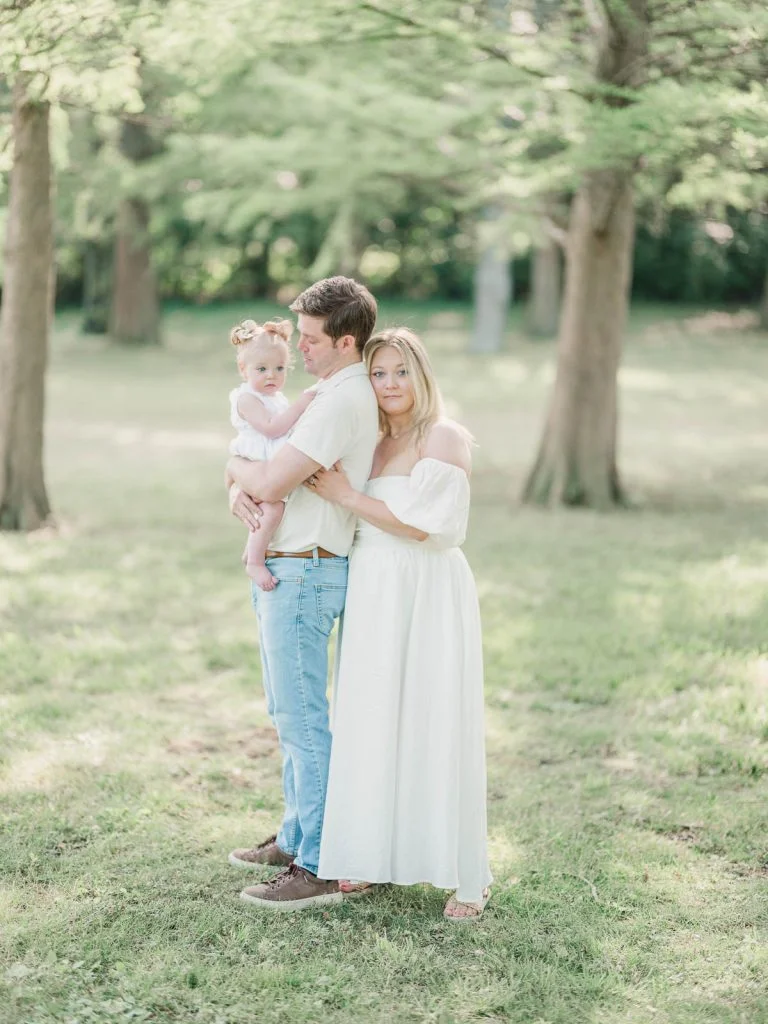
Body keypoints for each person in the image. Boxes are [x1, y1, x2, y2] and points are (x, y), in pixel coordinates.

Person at [307, 327, 492, 921]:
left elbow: (424, 526)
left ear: (421, 374)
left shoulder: (443, 436)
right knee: (370, 713)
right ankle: (365, 851)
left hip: (427, 585)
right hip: (373, 586)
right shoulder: (369, 440)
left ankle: (468, 877)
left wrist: (346, 495)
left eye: (400, 371)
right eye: (379, 373)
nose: (389, 385)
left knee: (435, 717)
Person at [226, 277, 379, 910]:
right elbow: (264, 475)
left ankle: (316, 860)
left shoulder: (338, 400)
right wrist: (242, 480)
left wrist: (238, 474)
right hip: (292, 565)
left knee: (304, 721)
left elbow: (270, 476)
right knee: (287, 714)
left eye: (311, 340)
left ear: (345, 341)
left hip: (306, 569)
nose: (301, 354)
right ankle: (295, 838)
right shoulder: (328, 395)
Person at [228, 318, 316, 590]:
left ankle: (253, 551)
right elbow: (271, 428)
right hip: (257, 462)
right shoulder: (246, 399)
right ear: (244, 370)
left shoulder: (275, 397)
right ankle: (254, 560)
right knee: (273, 508)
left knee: (272, 511)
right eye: (262, 369)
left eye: (279, 368)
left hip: (270, 461)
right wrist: (303, 403)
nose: (271, 375)